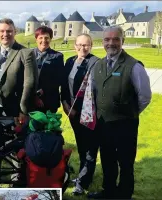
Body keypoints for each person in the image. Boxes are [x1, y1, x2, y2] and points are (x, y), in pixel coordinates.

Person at [88, 26, 152, 199]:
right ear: (103, 43)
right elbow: (93, 92)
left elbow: (145, 97)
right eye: (107, 40)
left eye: (116, 39)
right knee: (107, 160)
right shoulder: (98, 65)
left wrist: (129, 112)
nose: (111, 43)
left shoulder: (134, 66)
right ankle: (108, 191)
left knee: (125, 162)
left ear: (122, 41)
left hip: (126, 125)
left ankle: (124, 194)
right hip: (104, 124)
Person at [0, 18, 37, 144]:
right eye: (1, 31)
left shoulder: (25, 53)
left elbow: (30, 83)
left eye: (9, 31)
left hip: (14, 110)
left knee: (14, 147)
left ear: (15, 32)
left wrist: (23, 111)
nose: (5, 34)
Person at [61, 33, 100, 195]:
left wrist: (80, 109)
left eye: (86, 45)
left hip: (88, 113)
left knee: (90, 147)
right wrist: (65, 105)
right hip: (72, 112)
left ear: (90, 46)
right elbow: (64, 86)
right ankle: (83, 174)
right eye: (79, 44)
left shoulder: (96, 63)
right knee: (81, 145)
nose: (82, 48)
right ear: (74, 45)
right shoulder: (69, 61)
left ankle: (83, 182)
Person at [33, 26, 65, 114]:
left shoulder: (57, 56)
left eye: (47, 38)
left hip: (49, 100)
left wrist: (42, 91)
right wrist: (34, 95)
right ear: (36, 39)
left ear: (50, 39)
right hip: (30, 100)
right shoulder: (29, 55)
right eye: (41, 38)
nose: (44, 40)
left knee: (48, 127)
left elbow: (59, 79)